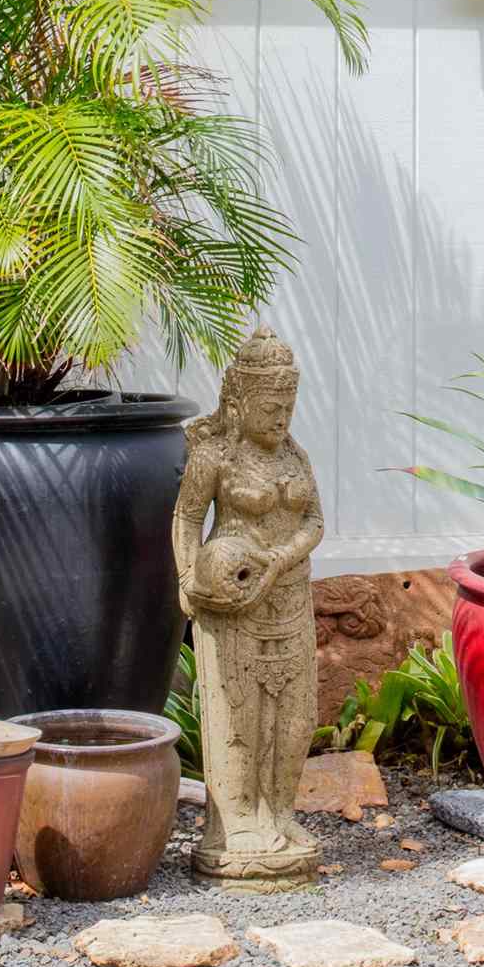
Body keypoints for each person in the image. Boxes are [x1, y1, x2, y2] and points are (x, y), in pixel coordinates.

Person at [171, 330, 323, 879]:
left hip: (289, 594)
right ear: (238, 404)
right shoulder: (215, 456)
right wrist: (188, 578)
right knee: (238, 713)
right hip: (234, 602)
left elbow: (315, 521)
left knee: (296, 717)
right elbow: (187, 518)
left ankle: (279, 813)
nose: (281, 417)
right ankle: (236, 825)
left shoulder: (295, 456)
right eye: (269, 407)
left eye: (287, 407)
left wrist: (279, 560)